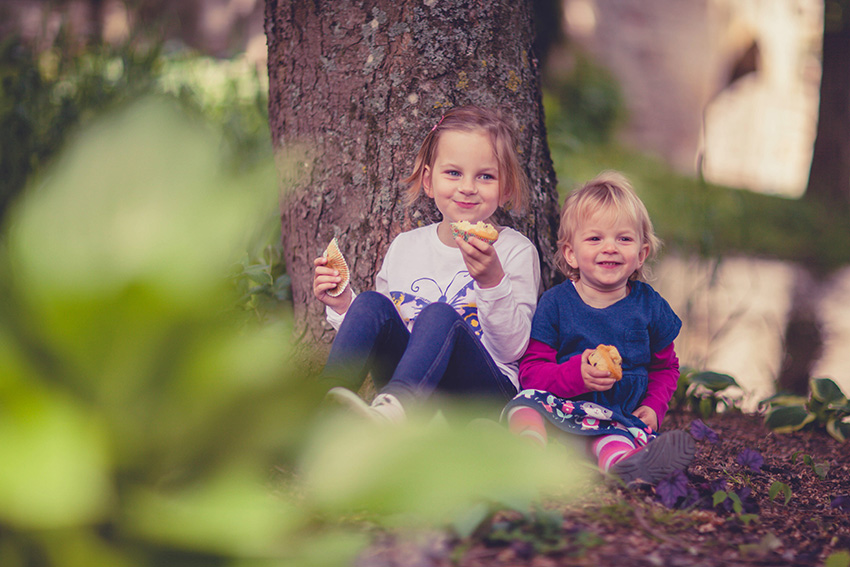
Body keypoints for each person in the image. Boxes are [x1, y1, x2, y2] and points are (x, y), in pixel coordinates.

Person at [313, 105, 541, 423]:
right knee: (369, 304)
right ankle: (318, 419)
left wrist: (492, 281)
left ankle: (394, 417)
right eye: (453, 172)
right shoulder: (405, 247)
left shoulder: (515, 250)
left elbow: (512, 350)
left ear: (504, 189)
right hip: (414, 393)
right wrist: (342, 306)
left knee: (439, 315)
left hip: (483, 401)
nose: (468, 187)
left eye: (485, 176)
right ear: (428, 181)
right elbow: (383, 333)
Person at [503, 171, 694, 485]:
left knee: (619, 439)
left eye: (624, 238)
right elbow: (532, 372)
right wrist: (577, 375)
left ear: (641, 254)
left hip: (615, 418)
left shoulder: (650, 307)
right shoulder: (555, 304)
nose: (610, 248)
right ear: (571, 254)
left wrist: (653, 407)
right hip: (560, 412)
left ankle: (624, 468)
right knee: (523, 405)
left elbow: (666, 367)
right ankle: (528, 456)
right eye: (595, 238)